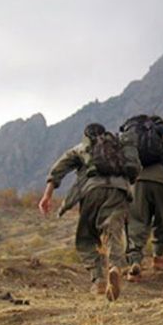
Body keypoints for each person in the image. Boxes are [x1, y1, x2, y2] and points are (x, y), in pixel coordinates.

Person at [38, 123, 140, 302]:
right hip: (119, 190)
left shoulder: (82, 148)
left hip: (92, 191)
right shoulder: (118, 146)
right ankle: (115, 266)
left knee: (86, 238)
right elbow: (135, 169)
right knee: (113, 231)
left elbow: (58, 169)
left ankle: (98, 279)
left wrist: (47, 195)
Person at [122, 115, 163, 280]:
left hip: (137, 182)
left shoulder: (133, 136)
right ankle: (159, 257)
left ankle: (134, 262)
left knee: (137, 221)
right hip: (162, 181)